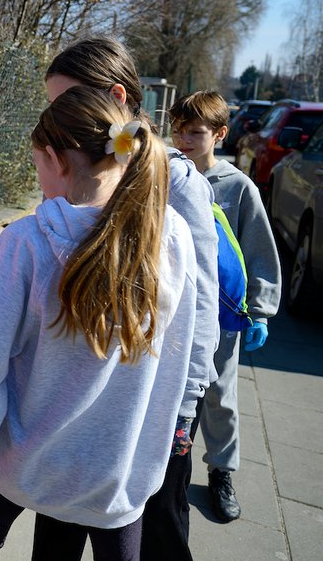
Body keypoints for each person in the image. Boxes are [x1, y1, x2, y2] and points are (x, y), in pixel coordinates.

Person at [0, 86, 197, 561]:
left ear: (54, 158)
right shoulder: (169, 237)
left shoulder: (26, 244)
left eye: (37, 165)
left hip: (20, 462)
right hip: (115, 472)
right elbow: (175, 359)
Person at [44, 37, 219, 561]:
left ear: (117, 98)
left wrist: (184, 411)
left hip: (154, 413)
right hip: (83, 407)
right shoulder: (78, 169)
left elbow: (200, 303)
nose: (54, 119)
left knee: (156, 536)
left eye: (64, 103)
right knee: (59, 529)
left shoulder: (178, 184)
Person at [171, 90, 281, 522]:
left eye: (195, 132)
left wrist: (261, 309)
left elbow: (258, 249)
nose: (183, 140)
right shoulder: (167, 178)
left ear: (220, 133)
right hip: (176, 309)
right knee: (173, 388)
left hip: (223, 313)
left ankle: (221, 471)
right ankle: (164, 463)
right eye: (178, 130)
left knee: (219, 394)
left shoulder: (237, 187)